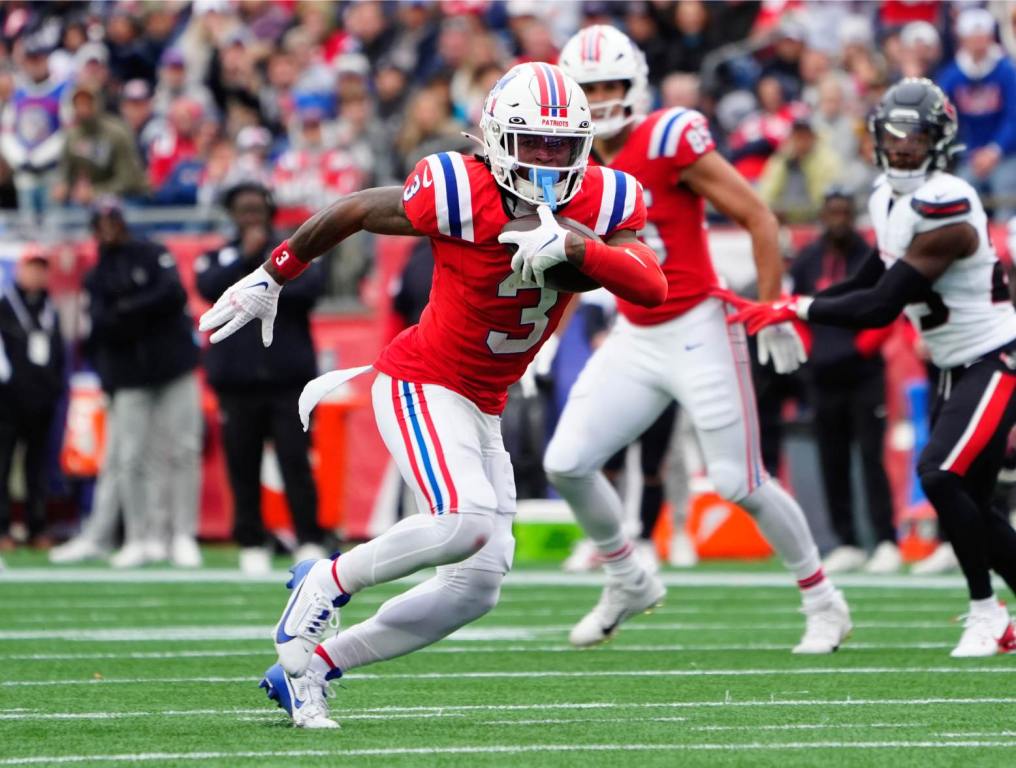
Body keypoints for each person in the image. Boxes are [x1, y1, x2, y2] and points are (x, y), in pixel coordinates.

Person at [199, 62, 667, 728]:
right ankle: (325, 582)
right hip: (421, 380)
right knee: (465, 519)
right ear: (500, 138)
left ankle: (316, 668)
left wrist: (572, 246)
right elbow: (356, 209)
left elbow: (651, 286)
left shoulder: (605, 200)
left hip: (483, 401)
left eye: (560, 147)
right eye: (532, 142)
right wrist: (273, 275)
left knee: (475, 587)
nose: (546, 159)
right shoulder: (457, 187)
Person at [551, 25, 851, 653]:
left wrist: (775, 310)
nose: (602, 99)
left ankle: (824, 601)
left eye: (611, 85)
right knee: (566, 462)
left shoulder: (668, 136)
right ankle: (627, 577)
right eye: (589, 88)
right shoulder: (566, 162)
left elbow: (760, 217)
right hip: (634, 334)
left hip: (696, 326)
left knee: (740, 480)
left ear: (634, 85)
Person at [725, 78, 1016, 658]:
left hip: (997, 357)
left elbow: (883, 303)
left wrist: (799, 306)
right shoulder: (885, 195)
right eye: (893, 135)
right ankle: (995, 616)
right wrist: (796, 296)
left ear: (940, 140)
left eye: (916, 136)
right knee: (972, 502)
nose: (903, 147)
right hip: (956, 365)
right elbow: (867, 277)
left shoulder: (950, 203)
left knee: (939, 475)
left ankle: (987, 612)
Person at [195, 182, 329, 575]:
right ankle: (251, 539)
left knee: (296, 463)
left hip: (288, 380)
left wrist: (270, 267)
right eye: (243, 208)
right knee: (242, 464)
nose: (251, 216)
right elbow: (209, 288)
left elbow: (310, 289)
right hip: (237, 383)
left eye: (257, 208)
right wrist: (252, 259)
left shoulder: (296, 250)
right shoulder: (219, 255)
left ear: (270, 211)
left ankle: (308, 536)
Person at [85, 198, 201, 568]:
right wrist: (138, 311)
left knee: (183, 449)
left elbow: (173, 293)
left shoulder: (152, 253)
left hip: (173, 366)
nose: (108, 228)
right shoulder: (98, 273)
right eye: (101, 223)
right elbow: (103, 324)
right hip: (129, 374)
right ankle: (139, 536)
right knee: (130, 457)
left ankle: (182, 533)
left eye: (112, 221)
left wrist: (128, 309)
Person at [789, 187, 899, 574]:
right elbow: (796, 312)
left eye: (844, 211)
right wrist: (812, 353)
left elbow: (889, 308)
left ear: (853, 215)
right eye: (831, 211)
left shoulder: (871, 259)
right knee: (831, 459)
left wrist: (860, 349)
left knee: (871, 458)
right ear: (823, 215)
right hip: (823, 376)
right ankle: (847, 540)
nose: (838, 218)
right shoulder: (807, 260)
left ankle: (886, 540)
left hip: (864, 373)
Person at [0, 245, 65, 550]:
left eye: (42, 268)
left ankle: (37, 526)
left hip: (42, 400)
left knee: (38, 467)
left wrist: (53, 388)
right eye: (31, 267)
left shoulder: (49, 306)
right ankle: (3, 529)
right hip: (8, 400)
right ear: (19, 270)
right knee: (3, 463)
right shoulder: (5, 305)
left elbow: (59, 353)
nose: (37, 274)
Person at [937, 8, 1016, 221]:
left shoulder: (1007, 71)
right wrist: (967, 150)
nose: (979, 42)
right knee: (962, 191)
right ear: (963, 39)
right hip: (969, 154)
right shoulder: (951, 76)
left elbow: (1013, 118)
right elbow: (946, 118)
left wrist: (994, 150)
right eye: (974, 36)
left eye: (983, 36)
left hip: (1005, 153)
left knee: (1007, 187)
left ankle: (1007, 246)